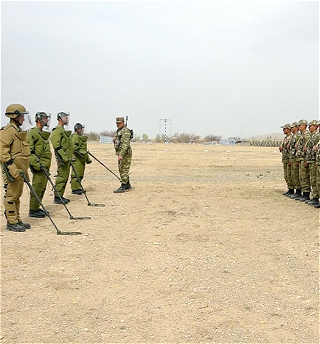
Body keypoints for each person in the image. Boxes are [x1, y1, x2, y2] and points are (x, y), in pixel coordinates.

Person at [0, 104, 31, 232]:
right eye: (21, 116)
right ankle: (11, 222)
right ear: (14, 116)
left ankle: (17, 219)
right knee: (11, 196)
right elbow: (3, 152)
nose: (23, 119)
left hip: (20, 170)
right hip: (11, 170)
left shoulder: (17, 131)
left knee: (18, 195)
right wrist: (11, 168)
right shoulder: (8, 132)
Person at [27, 112, 52, 217]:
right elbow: (29, 151)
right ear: (39, 120)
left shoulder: (42, 134)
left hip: (44, 166)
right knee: (37, 187)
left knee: (42, 187)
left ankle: (37, 207)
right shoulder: (33, 133)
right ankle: (33, 210)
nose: (47, 120)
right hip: (38, 166)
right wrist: (37, 164)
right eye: (45, 118)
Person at [50, 112, 73, 204]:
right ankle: (57, 196)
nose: (67, 119)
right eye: (65, 118)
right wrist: (63, 157)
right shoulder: (57, 130)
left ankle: (60, 195)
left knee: (65, 176)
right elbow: (56, 145)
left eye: (67, 118)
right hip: (62, 158)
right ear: (60, 119)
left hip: (66, 158)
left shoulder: (62, 130)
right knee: (62, 176)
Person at [70, 123, 92, 195]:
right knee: (76, 174)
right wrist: (82, 152)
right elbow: (74, 147)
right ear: (77, 129)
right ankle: (75, 189)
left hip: (81, 159)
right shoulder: (75, 137)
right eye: (80, 129)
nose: (81, 130)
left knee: (80, 174)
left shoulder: (79, 137)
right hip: (76, 159)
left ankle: (78, 187)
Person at [113, 117, 132, 193]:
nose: (118, 124)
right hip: (121, 152)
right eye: (117, 123)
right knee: (122, 168)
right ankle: (127, 184)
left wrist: (121, 154)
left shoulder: (125, 131)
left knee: (123, 169)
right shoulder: (119, 131)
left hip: (125, 153)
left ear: (123, 123)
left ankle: (123, 185)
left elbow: (125, 144)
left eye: (119, 123)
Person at [294, 119, 311, 201]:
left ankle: (306, 194)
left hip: (304, 158)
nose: (298, 127)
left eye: (299, 125)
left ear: (304, 125)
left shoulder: (306, 135)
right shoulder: (302, 135)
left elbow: (307, 149)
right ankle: (303, 193)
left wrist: (306, 160)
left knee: (305, 176)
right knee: (301, 176)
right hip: (301, 158)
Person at [305, 120, 320, 205]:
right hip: (315, 161)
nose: (309, 127)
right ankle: (315, 197)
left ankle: (315, 197)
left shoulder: (317, 136)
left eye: (311, 125)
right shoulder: (313, 136)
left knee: (316, 180)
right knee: (314, 180)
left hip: (315, 161)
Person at [288, 122, 302, 199]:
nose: (291, 129)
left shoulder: (298, 136)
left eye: (292, 127)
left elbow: (298, 149)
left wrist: (297, 159)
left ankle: (299, 192)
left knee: (297, 175)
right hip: (292, 158)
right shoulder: (294, 136)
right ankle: (294, 191)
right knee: (293, 175)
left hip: (297, 159)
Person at [279, 123, 293, 195]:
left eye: (285, 129)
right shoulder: (285, 138)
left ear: (289, 129)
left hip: (289, 159)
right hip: (285, 159)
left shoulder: (291, 138)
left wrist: (290, 160)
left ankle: (292, 190)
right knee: (286, 175)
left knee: (290, 175)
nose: (283, 130)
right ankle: (289, 188)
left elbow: (291, 150)